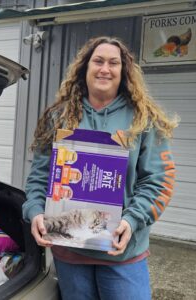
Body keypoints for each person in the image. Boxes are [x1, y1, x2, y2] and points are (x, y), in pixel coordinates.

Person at [22, 36, 178, 300]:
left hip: (121, 253)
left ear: (123, 72)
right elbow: (39, 176)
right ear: (85, 68)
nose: (105, 68)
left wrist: (131, 220)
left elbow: (159, 180)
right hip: (70, 252)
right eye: (98, 61)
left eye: (113, 63)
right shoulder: (59, 116)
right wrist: (35, 211)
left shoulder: (143, 119)